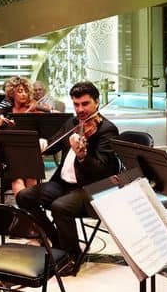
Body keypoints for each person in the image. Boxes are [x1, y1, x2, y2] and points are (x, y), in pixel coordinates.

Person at [16, 81, 120, 269]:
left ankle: (72, 255)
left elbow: (101, 171)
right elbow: (52, 144)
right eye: (76, 104)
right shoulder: (72, 123)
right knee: (24, 196)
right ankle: (56, 239)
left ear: (97, 102)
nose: (80, 109)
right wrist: (41, 144)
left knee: (60, 206)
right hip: (63, 184)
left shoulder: (107, 130)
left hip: (91, 189)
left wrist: (82, 156)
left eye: (85, 104)